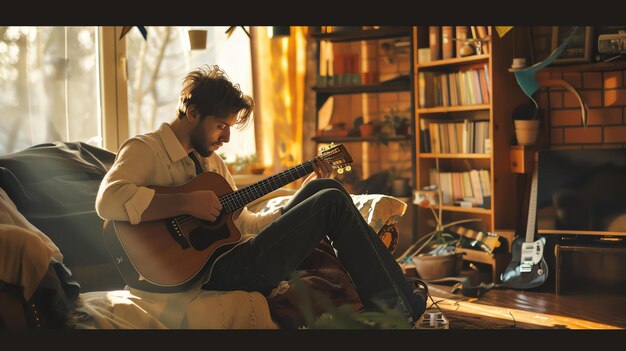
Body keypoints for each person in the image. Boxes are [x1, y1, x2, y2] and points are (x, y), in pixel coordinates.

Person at [95, 64, 426, 328]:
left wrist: (300, 205)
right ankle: (401, 308)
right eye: (221, 125)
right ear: (192, 112)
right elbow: (107, 200)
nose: (226, 137)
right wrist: (186, 202)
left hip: (240, 256)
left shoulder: (212, 163)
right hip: (211, 274)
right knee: (332, 201)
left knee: (324, 190)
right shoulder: (146, 149)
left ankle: (397, 300)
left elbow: (247, 224)